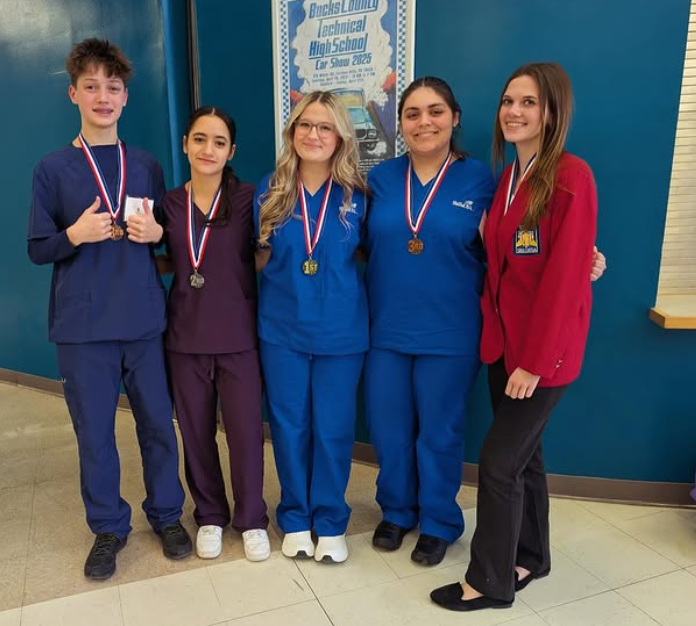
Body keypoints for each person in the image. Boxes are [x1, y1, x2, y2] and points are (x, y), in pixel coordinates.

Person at [431, 62, 598, 611]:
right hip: (503, 347)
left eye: (528, 102)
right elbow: (511, 263)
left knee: (499, 464)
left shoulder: (571, 176)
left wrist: (535, 363)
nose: (514, 112)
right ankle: (532, 557)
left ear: (552, 112)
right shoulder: (508, 180)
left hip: (541, 357)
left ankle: (489, 582)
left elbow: (562, 280)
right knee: (527, 459)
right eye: (508, 101)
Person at [27, 38, 191, 581]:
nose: (103, 96)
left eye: (113, 87)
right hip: (82, 329)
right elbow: (38, 249)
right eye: (91, 86)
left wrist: (158, 233)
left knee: (158, 426)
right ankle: (107, 527)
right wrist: (73, 235)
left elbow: (166, 241)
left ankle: (167, 515)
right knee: (94, 435)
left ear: (125, 97)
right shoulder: (52, 169)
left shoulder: (144, 165)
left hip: (142, 322)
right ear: (73, 93)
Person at [362, 77, 496, 566]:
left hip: (451, 331)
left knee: (439, 432)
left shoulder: (481, 181)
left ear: (454, 118)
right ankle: (397, 510)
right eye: (413, 114)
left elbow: (514, 244)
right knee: (389, 430)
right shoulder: (379, 179)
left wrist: (579, 256)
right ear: (401, 124)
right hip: (386, 329)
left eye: (435, 111)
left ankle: (439, 521)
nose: (424, 122)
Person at [254, 91, 368, 563]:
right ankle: (296, 517)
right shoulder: (270, 190)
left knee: (334, 428)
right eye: (305, 125)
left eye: (324, 127)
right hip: (282, 330)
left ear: (340, 135)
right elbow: (257, 257)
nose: (314, 135)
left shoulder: (359, 195)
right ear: (292, 132)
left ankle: (331, 520)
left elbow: (372, 257)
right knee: (288, 425)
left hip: (342, 333)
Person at [160, 106, 270, 562]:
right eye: (200, 139)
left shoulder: (248, 199)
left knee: (245, 433)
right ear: (185, 144)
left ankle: (252, 518)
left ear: (232, 151)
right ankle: (209, 513)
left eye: (219, 142)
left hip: (238, 334)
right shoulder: (168, 204)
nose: (209, 149)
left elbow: (261, 257)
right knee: (196, 432)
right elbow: (166, 258)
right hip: (185, 336)